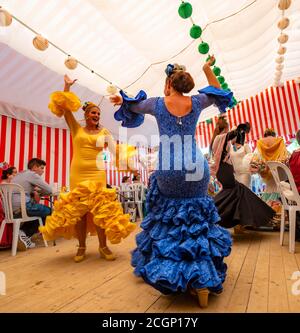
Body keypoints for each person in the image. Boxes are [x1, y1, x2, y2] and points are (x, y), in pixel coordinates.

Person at [110, 57, 233, 308]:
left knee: (170, 220)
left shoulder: (157, 103)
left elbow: (131, 106)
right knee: (196, 221)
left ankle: (171, 274)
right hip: (195, 166)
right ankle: (201, 285)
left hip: (168, 167)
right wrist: (207, 69)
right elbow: (219, 92)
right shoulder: (196, 102)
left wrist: (121, 100)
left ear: (168, 82)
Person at [40, 75, 136, 263]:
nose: (96, 116)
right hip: (77, 174)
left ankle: (103, 246)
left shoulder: (104, 132)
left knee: (100, 211)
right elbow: (65, 109)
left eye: (98, 114)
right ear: (86, 115)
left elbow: (116, 151)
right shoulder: (76, 128)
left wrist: (130, 168)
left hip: (97, 173)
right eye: (93, 113)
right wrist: (66, 87)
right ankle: (82, 246)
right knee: (79, 212)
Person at [211, 121, 275, 232]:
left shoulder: (222, 139)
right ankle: (210, 212)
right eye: (227, 129)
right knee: (235, 192)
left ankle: (238, 223)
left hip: (229, 171)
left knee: (236, 193)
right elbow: (230, 135)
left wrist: (240, 131)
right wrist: (240, 129)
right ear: (224, 129)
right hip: (225, 171)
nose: (228, 131)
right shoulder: (219, 138)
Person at [251, 128, 290, 229]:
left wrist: (265, 167)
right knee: (280, 188)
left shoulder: (260, 143)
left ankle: (268, 218)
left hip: (267, 175)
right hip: (279, 173)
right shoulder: (280, 141)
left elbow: (254, 164)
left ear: (265, 135)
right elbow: (286, 158)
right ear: (274, 134)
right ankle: (283, 219)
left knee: (268, 189)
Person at [12, 158, 52, 250]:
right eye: (41, 168)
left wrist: (34, 190)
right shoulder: (32, 175)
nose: (43, 171)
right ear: (34, 167)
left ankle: (24, 237)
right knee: (50, 212)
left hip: (11, 209)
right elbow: (50, 190)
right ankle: (23, 233)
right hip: (23, 207)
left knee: (39, 213)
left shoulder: (19, 174)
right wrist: (40, 190)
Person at [0, 164, 17, 249]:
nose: (16, 175)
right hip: (4, 207)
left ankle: (9, 241)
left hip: (6, 207)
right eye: (14, 173)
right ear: (8, 174)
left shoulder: (6, 183)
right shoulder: (5, 184)